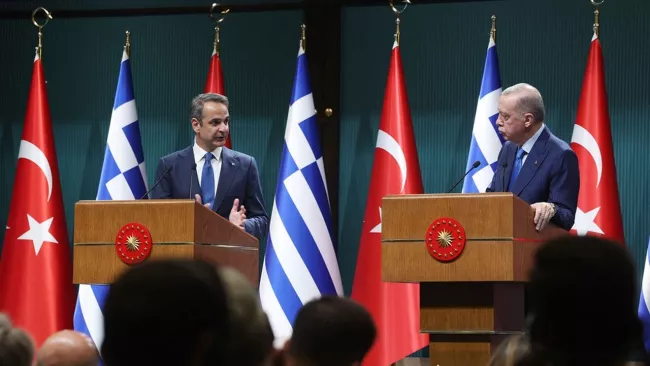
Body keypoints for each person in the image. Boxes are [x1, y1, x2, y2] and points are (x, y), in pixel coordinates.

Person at [151, 93, 269, 239]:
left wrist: (243, 225)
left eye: (226, 121)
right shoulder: (170, 166)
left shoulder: (245, 165)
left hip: (229, 257)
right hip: (184, 259)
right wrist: (189, 222)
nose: (224, 129)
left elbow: (262, 220)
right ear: (196, 125)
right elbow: (156, 219)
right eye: (215, 122)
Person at [486, 83, 579, 231]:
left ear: (528, 120)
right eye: (499, 114)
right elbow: (494, 194)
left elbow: (567, 216)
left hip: (533, 246)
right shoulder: (508, 148)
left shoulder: (561, 155)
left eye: (505, 116)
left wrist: (551, 208)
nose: (498, 121)